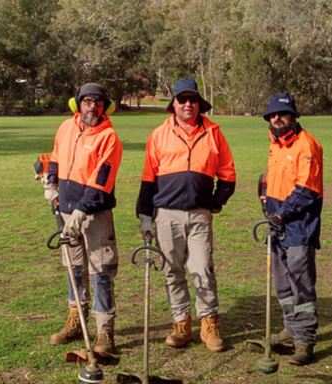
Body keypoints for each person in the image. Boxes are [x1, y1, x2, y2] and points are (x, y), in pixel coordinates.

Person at [136, 78, 236, 352]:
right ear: (174, 104)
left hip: (200, 215)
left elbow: (228, 176)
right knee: (172, 271)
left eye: (193, 100)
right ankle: (181, 324)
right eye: (182, 100)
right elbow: (148, 179)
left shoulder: (214, 133)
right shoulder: (159, 134)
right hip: (166, 215)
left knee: (202, 269)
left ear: (199, 104)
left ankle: (208, 323)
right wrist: (145, 215)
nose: (188, 105)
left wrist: (216, 202)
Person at [44, 83, 122, 355]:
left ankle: (104, 331)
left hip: (94, 215)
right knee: (74, 268)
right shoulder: (66, 128)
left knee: (101, 271)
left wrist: (81, 210)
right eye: (87, 101)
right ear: (77, 103)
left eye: (98, 102)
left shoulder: (109, 137)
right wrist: (50, 183)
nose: (92, 107)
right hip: (66, 212)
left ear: (105, 107)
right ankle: (76, 320)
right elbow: (54, 158)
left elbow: (101, 181)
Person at [262, 93, 323, 365]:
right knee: (282, 282)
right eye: (272, 115)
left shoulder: (306, 145)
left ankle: (304, 340)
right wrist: (266, 203)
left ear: (293, 116)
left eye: (282, 114)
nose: (277, 118)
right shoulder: (275, 143)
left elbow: (307, 191)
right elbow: (269, 180)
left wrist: (280, 214)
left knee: (301, 284)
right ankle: (289, 330)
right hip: (278, 225)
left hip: (299, 226)